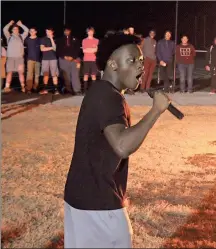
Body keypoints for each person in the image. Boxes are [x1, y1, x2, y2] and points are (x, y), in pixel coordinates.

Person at [64, 31, 170, 248]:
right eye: (131, 60)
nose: (140, 66)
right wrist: (155, 111)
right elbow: (122, 145)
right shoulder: (109, 97)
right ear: (112, 64)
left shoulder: (100, 91)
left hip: (81, 198)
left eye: (141, 61)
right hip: (98, 205)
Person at [2, 20, 28, 93]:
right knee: (9, 73)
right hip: (10, 58)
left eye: (16, 29)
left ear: (18, 30)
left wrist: (21, 24)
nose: (15, 30)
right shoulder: (9, 36)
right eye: (14, 29)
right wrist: (9, 23)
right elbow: (4, 29)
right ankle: (7, 87)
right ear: (12, 30)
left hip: (19, 58)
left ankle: (23, 87)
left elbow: (26, 30)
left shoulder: (21, 37)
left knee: (21, 73)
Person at [56, 27, 82, 95]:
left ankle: (77, 90)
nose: (67, 32)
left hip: (74, 59)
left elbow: (78, 49)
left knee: (75, 75)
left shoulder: (75, 39)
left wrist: (73, 57)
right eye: (65, 30)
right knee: (66, 76)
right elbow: (58, 50)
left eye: (68, 30)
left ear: (70, 31)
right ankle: (68, 90)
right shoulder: (59, 40)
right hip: (63, 60)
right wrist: (64, 56)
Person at [40, 27, 59, 95]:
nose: (47, 33)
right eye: (46, 31)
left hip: (53, 59)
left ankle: (56, 89)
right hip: (45, 59)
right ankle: (45, 89)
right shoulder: (43, 39)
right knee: (45, 74)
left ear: (52, 32)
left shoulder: (55, 39)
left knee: (54, 74)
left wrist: (51, 38)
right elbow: (42, 49)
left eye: (48, 31)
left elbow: (55, 49)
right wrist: (51, 48)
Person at [82, 27, 99, 93]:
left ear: (93, 32)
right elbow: (84, 50)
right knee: (85, 75)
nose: (90, 32)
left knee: (93, 75)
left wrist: (89, 49)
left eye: (91, 31)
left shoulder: (96, 40)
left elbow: (96, 50)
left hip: (93, 59)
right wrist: (92, 49)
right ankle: (85, 90)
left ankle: (94, 90)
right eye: (89, 31)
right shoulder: (84, 40)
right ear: (87, 32)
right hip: (86, 60)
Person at [25, 27, 41, 93]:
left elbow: (41, 50)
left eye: (33, 31)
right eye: (30, 31)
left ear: (36, 31)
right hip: (30, 59)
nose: (31, 32)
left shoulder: (39, 40)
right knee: (29, 74)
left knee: (37, 74)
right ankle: (29, 88)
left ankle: (35, 87)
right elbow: (25, 49)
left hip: (37, 59)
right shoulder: (27, 40)